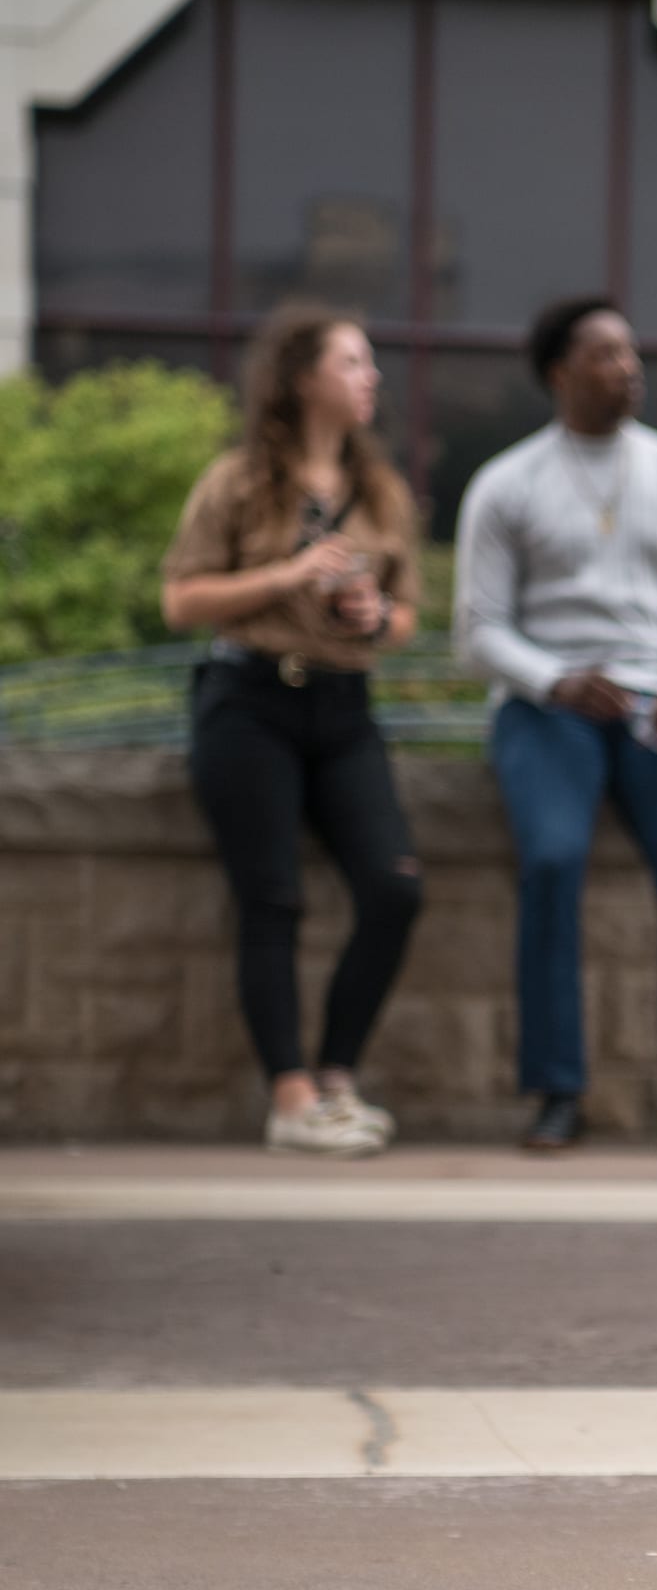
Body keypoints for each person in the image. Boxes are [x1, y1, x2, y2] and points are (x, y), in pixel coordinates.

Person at [455, 296, 657, 1156]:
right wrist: (554, 679)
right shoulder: (507, 484)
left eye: (631, 352)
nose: (629, 367)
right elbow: (476, 630)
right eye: (607, 355)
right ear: (560, 373)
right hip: (550, 711)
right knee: (550, 861)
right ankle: (556, 1090)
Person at [162, 302, 424, 1157]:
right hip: (250, 702)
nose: (369, 377)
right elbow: (182, 601)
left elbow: (408, 618)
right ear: (301, 378)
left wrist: (372, 612)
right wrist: (289, 575)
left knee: (394, 887)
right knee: (272, 897)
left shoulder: (382, 492)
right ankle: (290, 1098)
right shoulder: (237, 481)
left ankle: (337, 1079)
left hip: (344, 707)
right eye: (351, 361)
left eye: (370, 362)